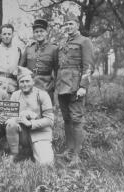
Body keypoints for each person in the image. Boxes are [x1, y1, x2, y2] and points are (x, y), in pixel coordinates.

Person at [55, 13, 94, 166]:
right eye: (66, 24)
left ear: (77, 25)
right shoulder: (62, 42)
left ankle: (76, 156)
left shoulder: (85, 41)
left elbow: (89, 66)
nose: (68, 27)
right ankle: (69, 150)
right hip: (62, 85)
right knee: (66, 119)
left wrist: (83, 86)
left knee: (76, 119)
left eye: (71, 24)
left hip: (76, 86)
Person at [6, 66, 55, 165]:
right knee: (11, 123)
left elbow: (50, 120)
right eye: (22, 82)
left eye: (27, 81)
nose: (25, 84)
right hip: (22, 132)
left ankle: (35, 150)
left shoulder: (42, 95)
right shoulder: (15, 95)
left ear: (33, 81)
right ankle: (15, 152)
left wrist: (30, 123)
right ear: (18, 83)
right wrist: (18, 117)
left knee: (46, 163)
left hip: (39, 132)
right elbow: (10, 115)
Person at [19, 19, 58, 102]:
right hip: (29, 86)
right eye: (36, 32)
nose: (39, 34)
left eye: (41, 31)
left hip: (46, 86)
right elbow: (21, 68)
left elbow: (57, 70)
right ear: (33, 34)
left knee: (45, 111)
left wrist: (53, 86)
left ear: (46, 32)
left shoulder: (54, 49)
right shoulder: (29, 48)